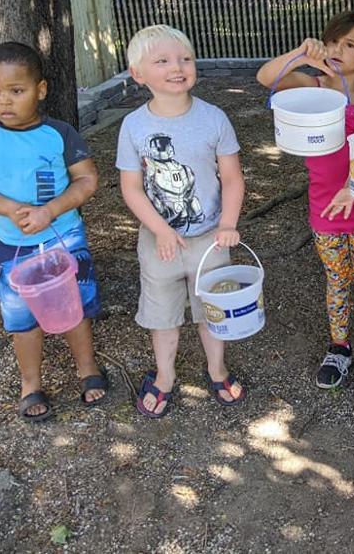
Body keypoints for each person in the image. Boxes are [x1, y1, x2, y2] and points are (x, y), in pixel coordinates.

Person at [0, 42, 107, 422]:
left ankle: (87, 369)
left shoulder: (60, 133)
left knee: (75, 306)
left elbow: (87, 179)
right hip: (11, 246)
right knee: (22, 317)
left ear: (40, 90)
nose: (3, 101)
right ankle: (30, 383)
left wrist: (50, 211)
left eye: (16, 91)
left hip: (64, 238)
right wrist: (11, 208)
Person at [256, 11, 354, 390]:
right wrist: (302, 54)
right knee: (336, 280)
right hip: (324, 208)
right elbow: (265, 78)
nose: (337, 50)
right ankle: (339, 346)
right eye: (333, 42)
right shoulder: (312, 85)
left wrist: (353, 186)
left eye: (349, 45)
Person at [116, 25, 246, 417]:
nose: (178, 67)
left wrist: (228, 223)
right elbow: (132, 188)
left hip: (211, 238)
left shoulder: (214, 118)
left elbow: (233, 178)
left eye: (185, 58)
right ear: (139, 74)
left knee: (211, 308)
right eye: (163, 61)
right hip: (160, 241)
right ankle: (165, 374)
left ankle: (216, 368)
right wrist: (160, 230)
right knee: (162, 313)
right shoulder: (134, 126)